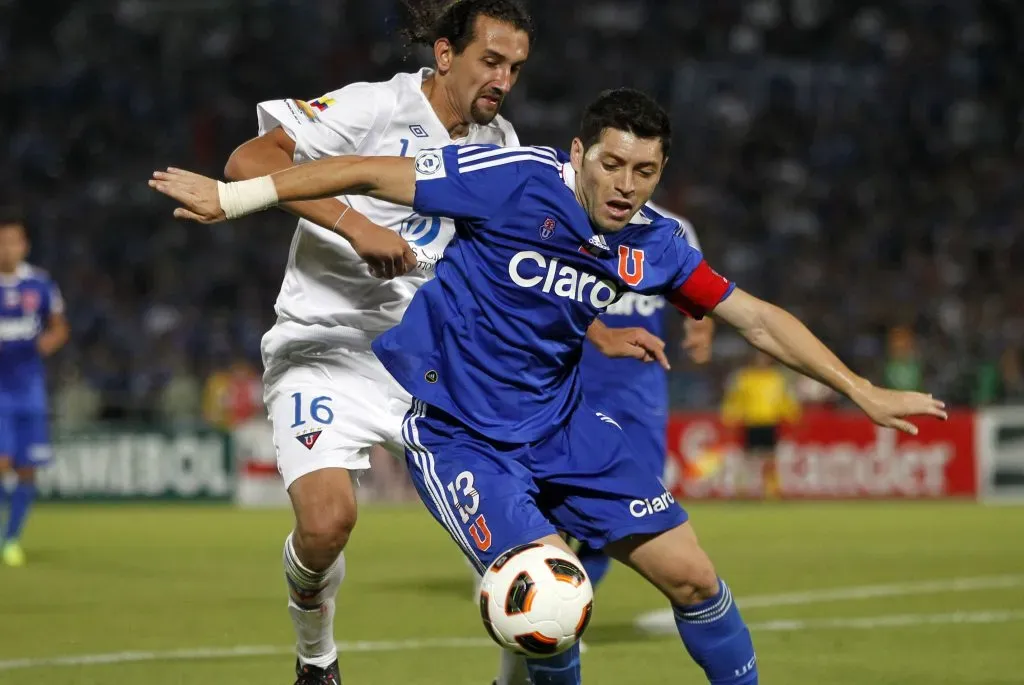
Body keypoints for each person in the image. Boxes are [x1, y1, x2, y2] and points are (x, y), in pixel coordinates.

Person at [150, 87, 948, 685]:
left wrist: (859, 388)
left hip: (564, 427)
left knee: (696, 576)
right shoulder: (511, 180)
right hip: (464, 438)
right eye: (611, 163)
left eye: (645, 170)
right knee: (552, 606)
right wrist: (236, 196)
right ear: (577, 154)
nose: (625, 184)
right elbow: (364, 170)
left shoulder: (658, 245)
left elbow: (759, 319)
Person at [217, 2, 663, 683]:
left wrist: (596, 327)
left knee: (523, 550)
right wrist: (353, 225)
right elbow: (251, 159)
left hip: (429, 364)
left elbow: (521, 269)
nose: (504, 79)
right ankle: (316, 655)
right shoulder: (376, 106)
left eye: (515, 67)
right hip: (323, 348)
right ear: (447, 55)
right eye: (491, 61)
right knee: (326, 523)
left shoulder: (503, 145)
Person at [572, 205, 714, 594]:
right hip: (574, 381)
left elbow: (700, 291)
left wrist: (700, 327)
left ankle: (572, 598)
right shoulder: (570, 217)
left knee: (635, 505)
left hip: (641, 391)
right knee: (556, 501)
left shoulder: (674, 228)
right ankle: (540, 588)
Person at [0, 209, 69, 567]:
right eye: (2, 242)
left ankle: (10, 540)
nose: (7, 249)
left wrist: (46, 343)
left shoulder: (39, 283)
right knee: (2, 462)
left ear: (23, 245)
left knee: (27, 469)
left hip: (30, 389)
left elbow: (59, 327)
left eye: (12, 241)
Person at [721, 350, 801, 497]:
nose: (762, 361)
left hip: (770, 421)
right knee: (749, 459)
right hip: (751, 421)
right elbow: (736, 399)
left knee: (770, 458)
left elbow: (784, 399)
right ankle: (743, 489)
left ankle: (771, 489)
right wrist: (730, 416)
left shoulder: (776, 378)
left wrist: (792, 415)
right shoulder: (745, 378)